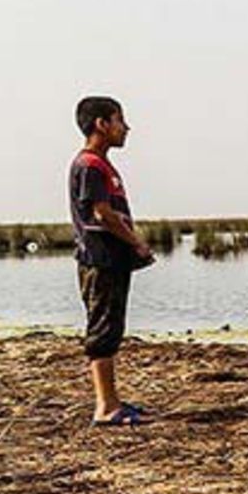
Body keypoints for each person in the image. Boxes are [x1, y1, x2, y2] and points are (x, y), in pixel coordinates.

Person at [68, 96, 153, 425]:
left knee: (111, 328)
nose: (126, 127)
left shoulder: (102, 165)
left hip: (111, 261)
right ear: (101, 124)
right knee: (102, 330)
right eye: (119, 120)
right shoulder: (89, 165)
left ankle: (112, 400)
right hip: (100, 260)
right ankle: (106, 408)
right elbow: (102, 214)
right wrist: (137, 242)